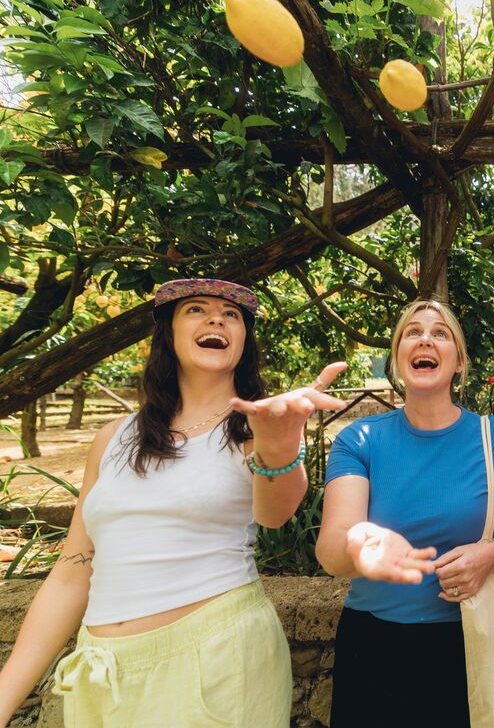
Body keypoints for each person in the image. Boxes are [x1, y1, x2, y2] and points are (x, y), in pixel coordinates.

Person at [0, 278, 347, 727]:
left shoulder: (251, 433)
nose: (216, 318)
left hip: (217, 660)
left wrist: (279, 446)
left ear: (242, 340)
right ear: (168, 334)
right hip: (102, 672)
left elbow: (275, 513)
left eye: (232, 314)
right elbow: (71, 575)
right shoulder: (112, 439)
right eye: (196, 309)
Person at [316, 299, 494, 728]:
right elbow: (332, 549)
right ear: (398, 358)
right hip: (373, 645)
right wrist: (362, 550)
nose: (425, 338)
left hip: (471, 642)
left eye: (440, 332)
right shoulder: (359, 439)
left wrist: (489, 557)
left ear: (459, 362)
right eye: (412, 332)